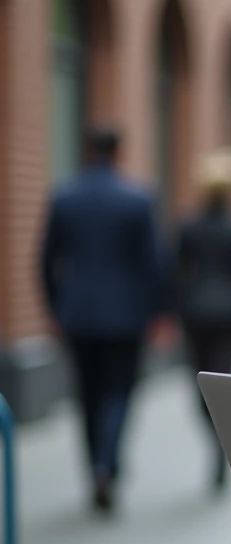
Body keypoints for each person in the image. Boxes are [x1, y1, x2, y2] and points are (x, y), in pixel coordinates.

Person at [40, 125, 168, 513]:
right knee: (119, 393)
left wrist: (55, 308)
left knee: (87, 394)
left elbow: (45, 261)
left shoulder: (65, 197)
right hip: (126, 316)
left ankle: (94, 467)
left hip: (78, 313)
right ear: (120, 152)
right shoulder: (137, 199)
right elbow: (154, 263)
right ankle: (106, 465)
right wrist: (159, 310)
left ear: (88, 150)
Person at [174, 148, 231, 490]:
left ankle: (216, 444)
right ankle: (220, 444)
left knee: (201, 386)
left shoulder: (189, 227)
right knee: (221, 382)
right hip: (228, 315)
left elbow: (177, 273)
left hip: (196, 313)